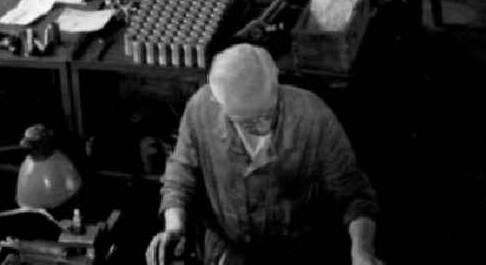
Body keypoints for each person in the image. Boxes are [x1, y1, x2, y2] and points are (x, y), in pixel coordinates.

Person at [146, 43, 383, 265]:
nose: (262, 127)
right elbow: (180, 175)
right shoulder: (201, 110)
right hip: (228, 247)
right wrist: (174, 229)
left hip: (298, 249)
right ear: (221, 105)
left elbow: (354, 193)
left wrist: (362, 250)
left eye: (268, 114)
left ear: (275, 85)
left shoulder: (313, 115)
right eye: (248, 122)